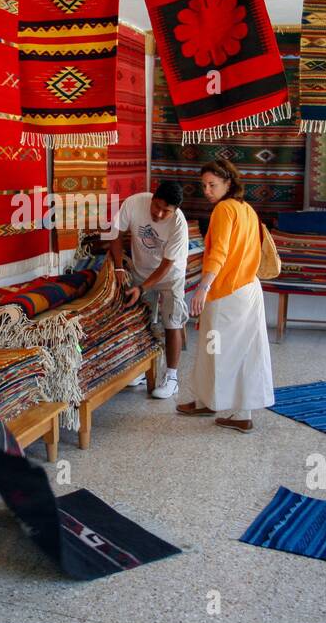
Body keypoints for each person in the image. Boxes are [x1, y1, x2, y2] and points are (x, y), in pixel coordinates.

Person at [176, 159, 273, 433]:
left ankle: (212, 403)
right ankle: (231, 408)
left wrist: (203, 288)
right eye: (204, 185)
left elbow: (219, 253)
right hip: (249, 288)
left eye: (213, 185)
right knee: (245, 351)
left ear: (229, 183)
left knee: (213, 349)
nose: (207, 190)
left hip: (226, 291)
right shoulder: (247, 209)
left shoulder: (223, 209)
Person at [101, 181, 189, 400]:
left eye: (165, 211)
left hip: (170, 276)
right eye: (156, 206)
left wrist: (142, 288)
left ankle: (172, 378)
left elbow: (166, 265)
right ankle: (143, 370)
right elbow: (115, 233)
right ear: (152, 198)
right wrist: (120, 265)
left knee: (172, 322)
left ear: (175, 210)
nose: (158, 214)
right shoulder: (134, 203)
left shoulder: (179, 225)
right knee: (143, 321)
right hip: (141, 271)